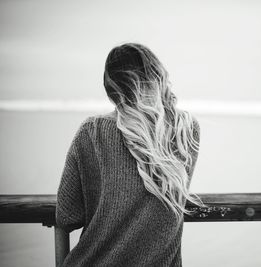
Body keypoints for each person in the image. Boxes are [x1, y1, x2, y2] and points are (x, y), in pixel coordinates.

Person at [56, 43, 205, 266]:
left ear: (111, 89)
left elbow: (67, 216)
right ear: (158, 77)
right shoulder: (185, 130)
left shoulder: (92, 131)